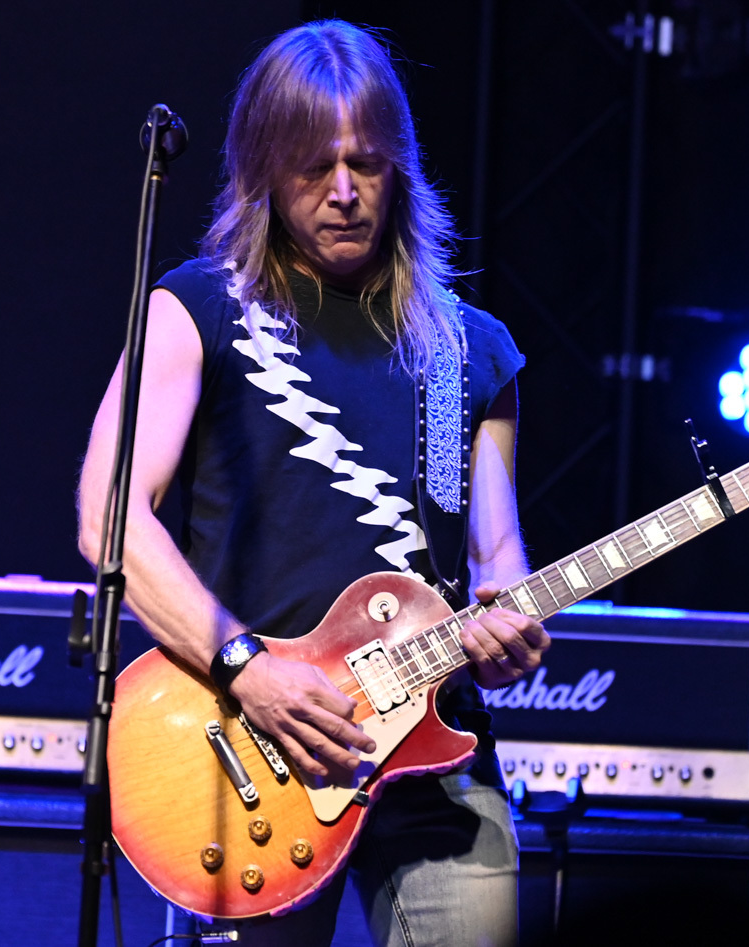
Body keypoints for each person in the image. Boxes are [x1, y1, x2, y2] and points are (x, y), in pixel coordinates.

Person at [77, 19, 549, 947]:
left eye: (365, 164)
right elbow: (110, 517)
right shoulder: (197, 310)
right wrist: (247, 668)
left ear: (400, 167)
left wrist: (510, 629)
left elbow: (498, 560)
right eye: (312, 168)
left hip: (433, 754)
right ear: (262, 170)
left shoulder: (470, 350)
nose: (342, 191)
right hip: (250, 753)